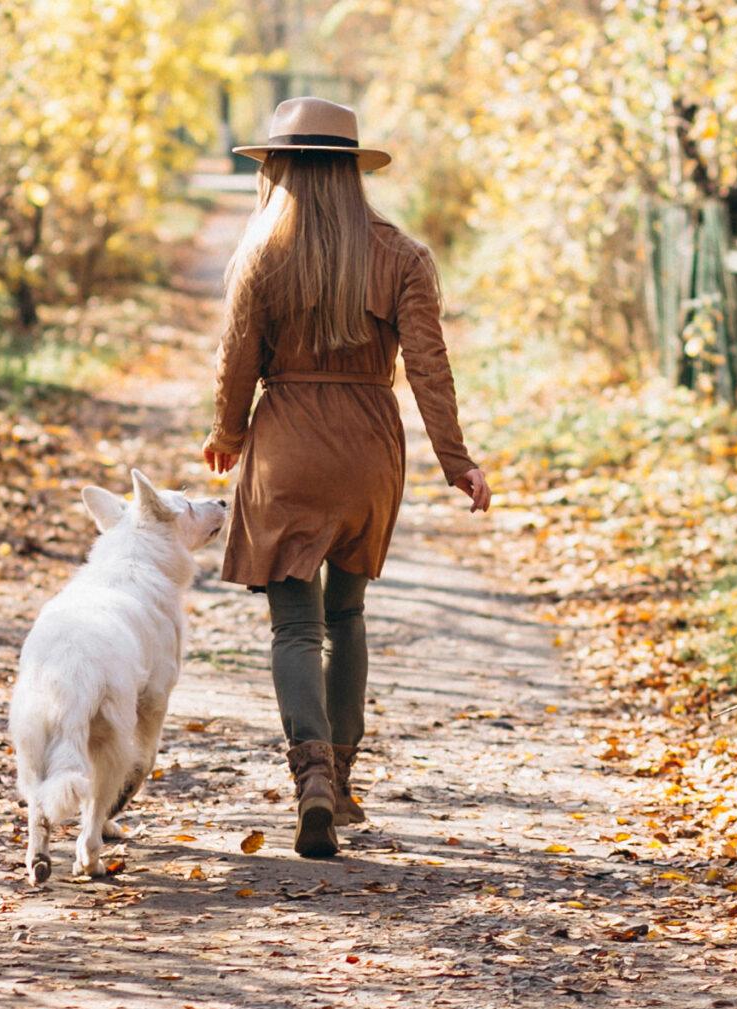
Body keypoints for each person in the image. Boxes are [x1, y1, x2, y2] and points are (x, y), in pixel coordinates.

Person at [202, 96, 492, 858]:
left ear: (283, 170)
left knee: (295, 626)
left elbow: (237, 362)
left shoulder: (263, 252)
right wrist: (457, 463)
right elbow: (430, 369)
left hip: (288, 442)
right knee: (348, 617)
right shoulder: (402, 255)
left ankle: (312, 781)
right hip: (368, 446)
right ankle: (345, 774)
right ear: (351, 171)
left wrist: (229, 434)